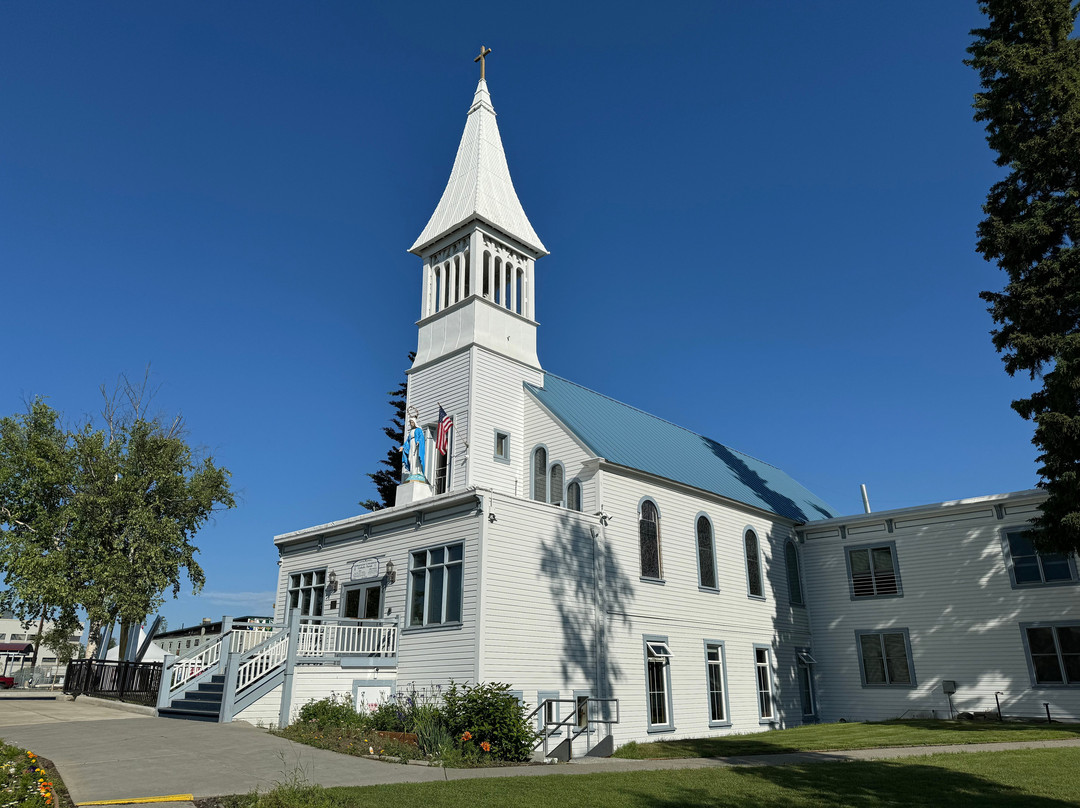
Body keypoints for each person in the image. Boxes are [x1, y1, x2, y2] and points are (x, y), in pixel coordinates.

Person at [401, 412, 426, 481]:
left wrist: (418, 441)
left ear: (414, 422)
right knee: (410, 458)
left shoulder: (418, 429)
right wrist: (403, 447)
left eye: (412, 422)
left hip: (416, 446)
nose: (411, 423)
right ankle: (412, 472)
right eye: (410, 422)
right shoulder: (411, 432)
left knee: (416, 458)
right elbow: (407, 442)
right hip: (411, 445)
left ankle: (418, 472)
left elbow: (421, 437)